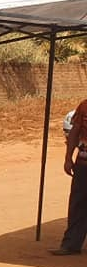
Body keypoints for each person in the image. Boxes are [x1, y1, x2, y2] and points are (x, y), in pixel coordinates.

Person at [52, 98, 87, 255]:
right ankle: (71, 244)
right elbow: (75, 131)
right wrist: (68, 158)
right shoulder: (84, 106)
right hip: (83, 164)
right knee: (78, 204)